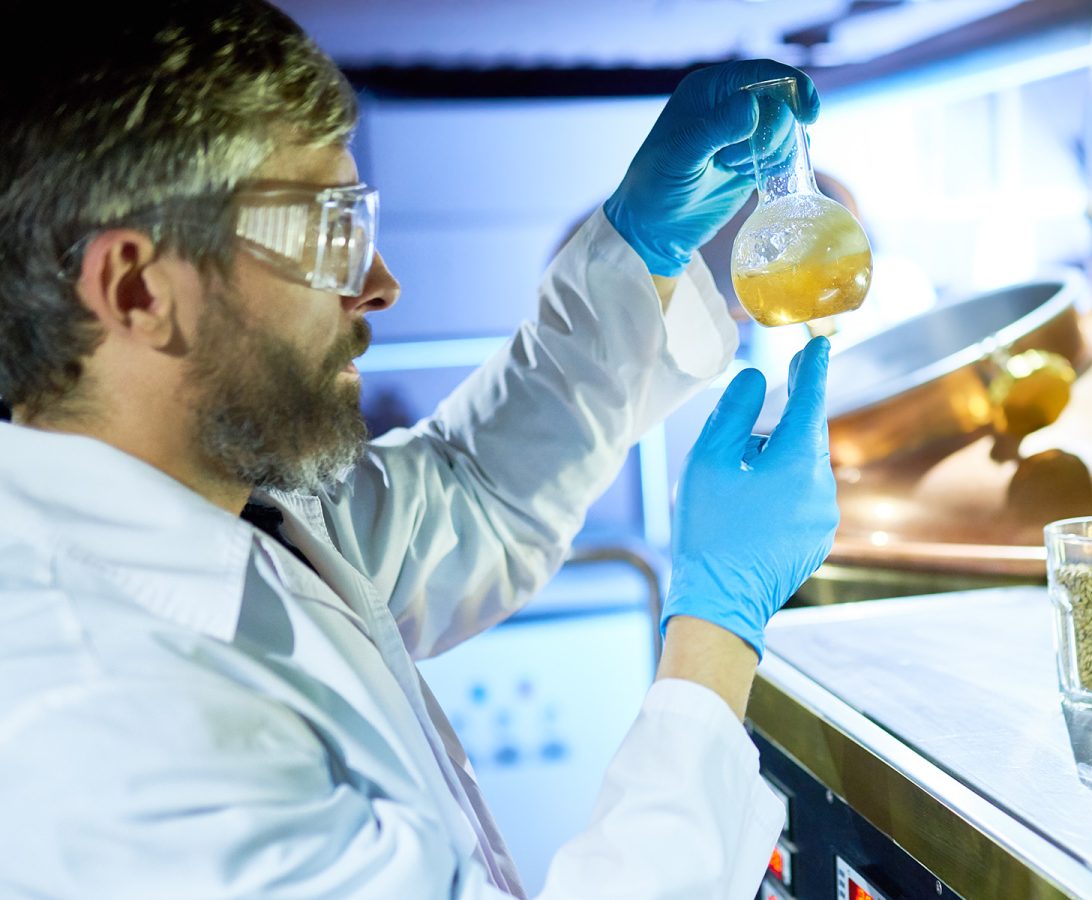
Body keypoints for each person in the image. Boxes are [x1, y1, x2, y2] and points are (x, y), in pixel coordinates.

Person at [0, 2, 838, 897]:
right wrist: (714, 634)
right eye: (330, 235)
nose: (380, 285)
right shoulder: (98, 715)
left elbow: (477, 491)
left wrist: (638, 250)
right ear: (136, 288)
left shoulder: (237, 502)